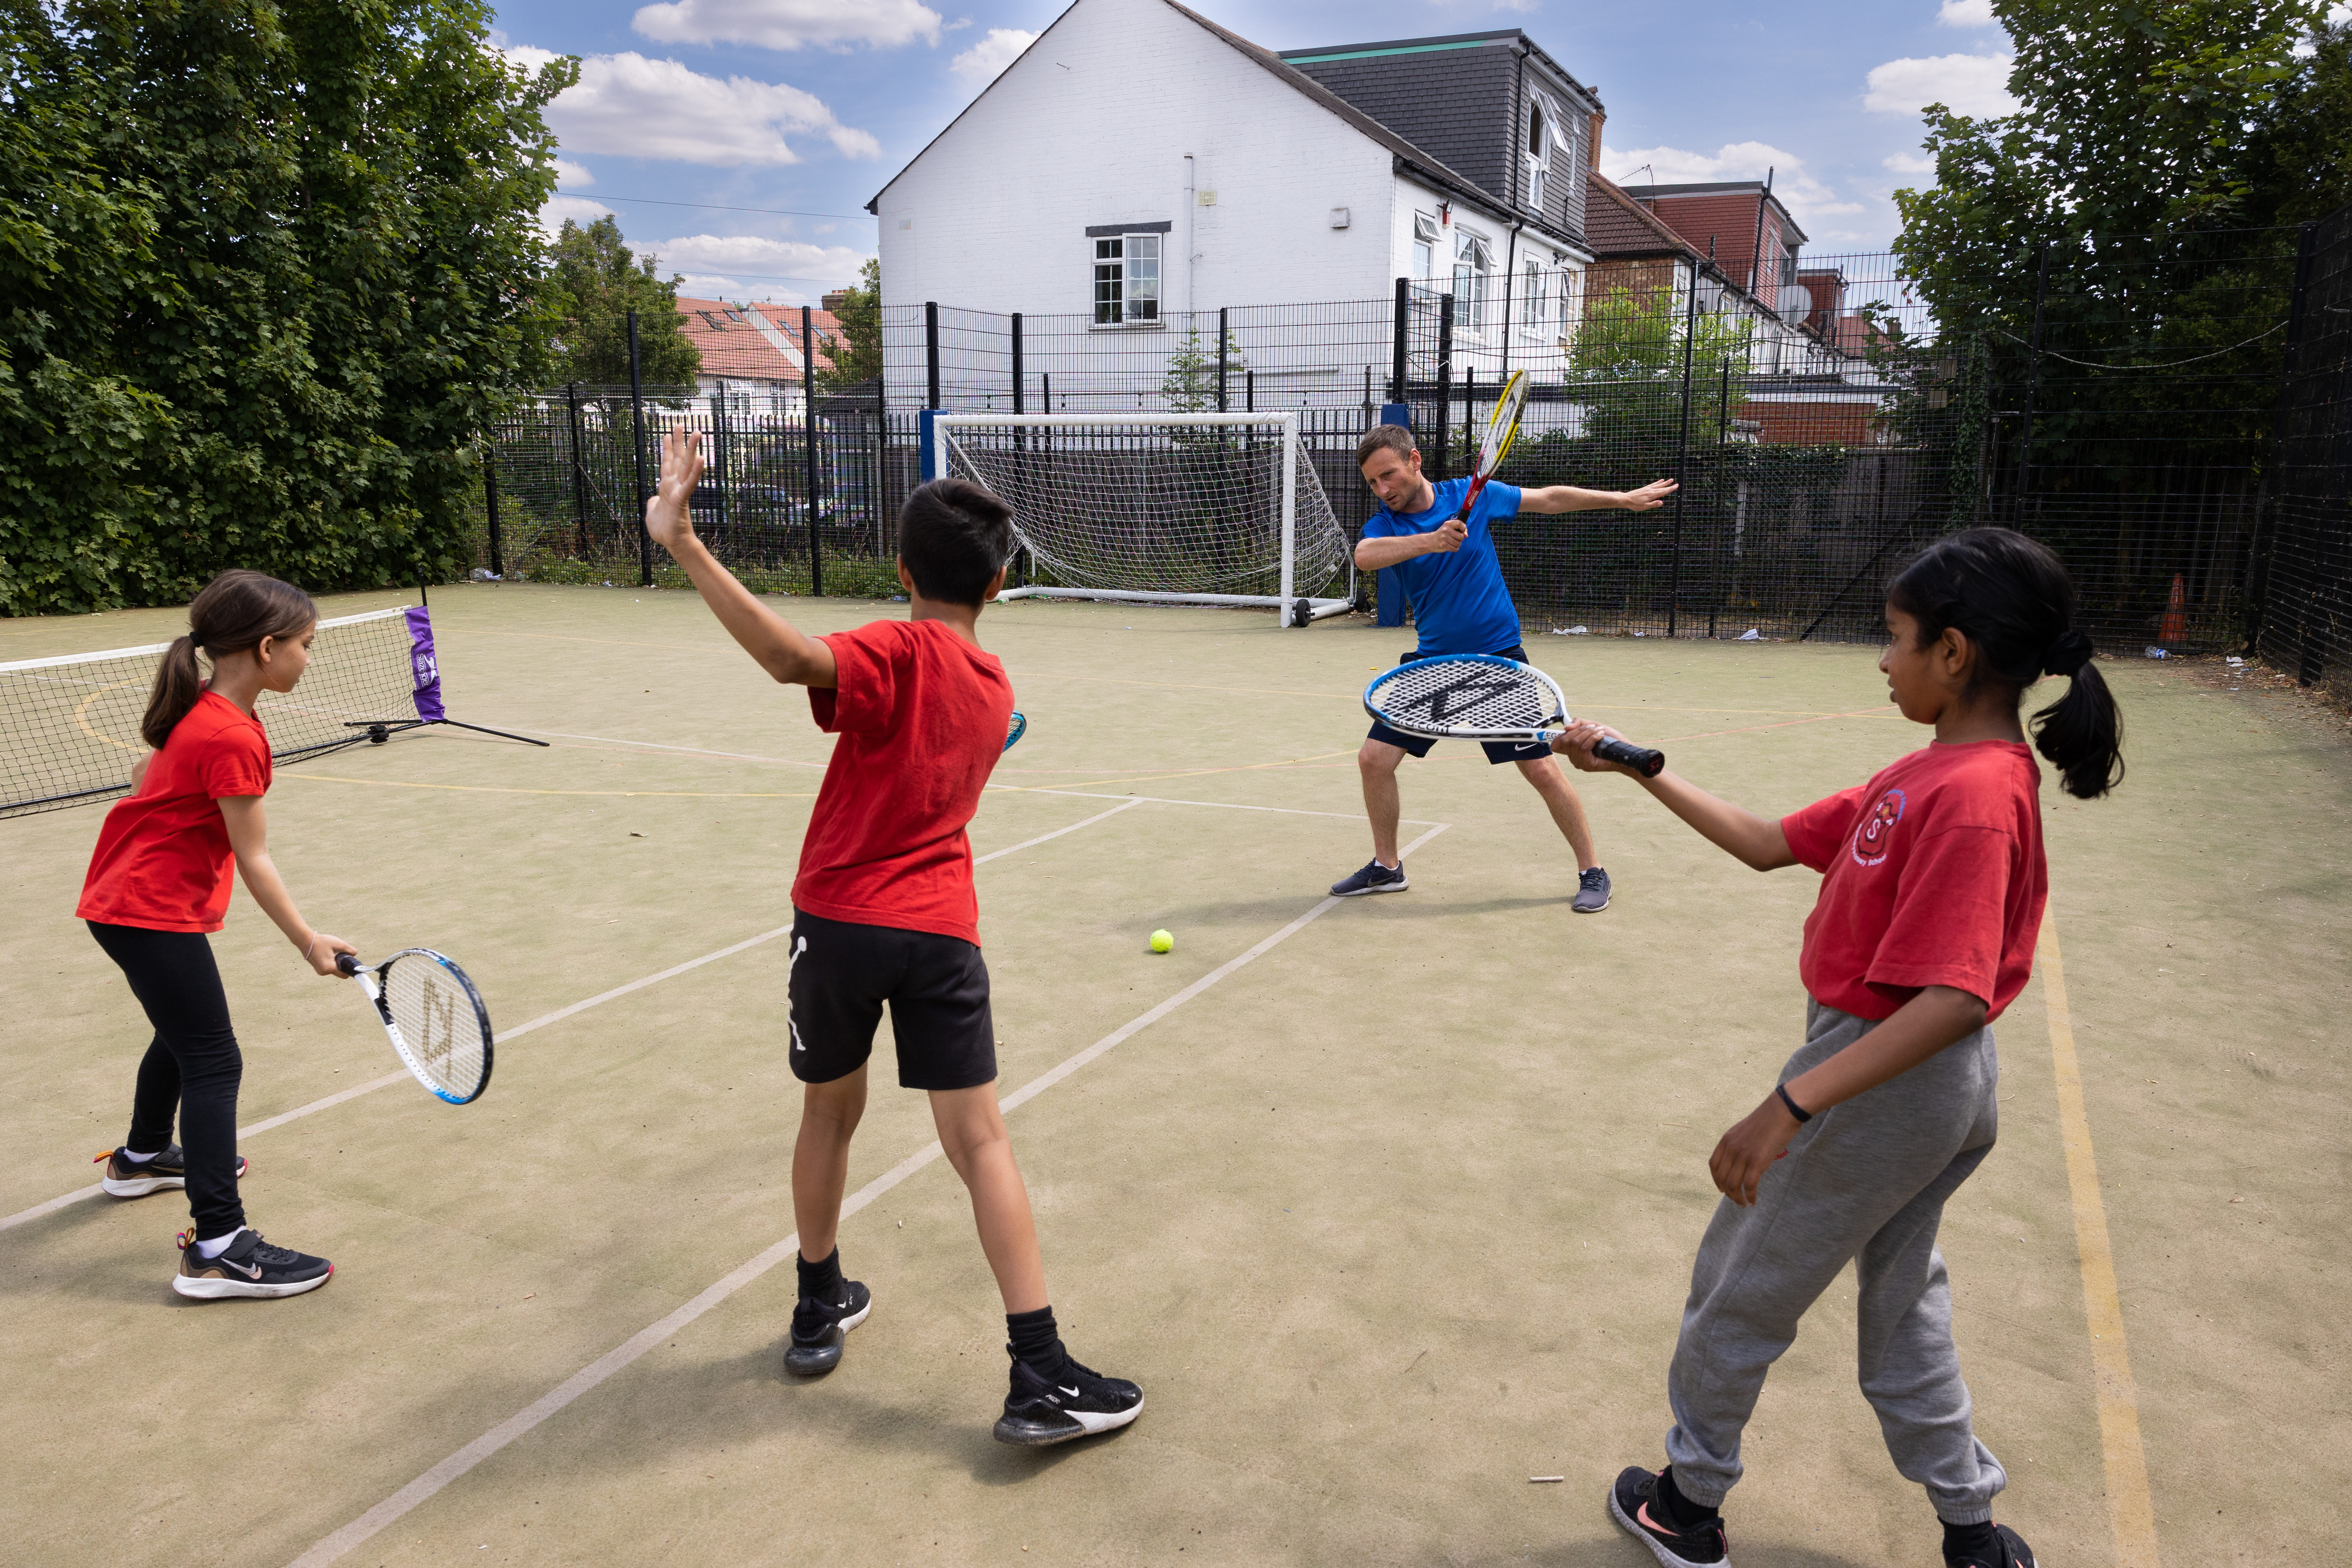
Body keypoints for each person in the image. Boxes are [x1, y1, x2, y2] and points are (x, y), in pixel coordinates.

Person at [1555, 527, 2121, 1568]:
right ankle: (1972, 1531)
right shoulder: (1936, 769)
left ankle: (1686, 1506)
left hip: (1881, 1080)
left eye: (1894, 637)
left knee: (1737, 1290)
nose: (1880, 657)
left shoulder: (1971, 800)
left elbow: (1949, 999)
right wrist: (1639, 770)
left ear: (1952, 655)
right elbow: (1771, 844)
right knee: (1902, 1306)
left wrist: (1791, 1104)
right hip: (1920, 1089)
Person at [642, 431, 1142, 1448]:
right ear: (999, 585)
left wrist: (683, 539)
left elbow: (792, 660)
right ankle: (1037, 1368)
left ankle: (816, 1301)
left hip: (835, 921)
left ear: (903, 570)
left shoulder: (891, 647)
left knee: (829, 1112)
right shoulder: (993, 685)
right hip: (937, 932)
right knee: (981, 1141)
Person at [79, 569, 355, 1300]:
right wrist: (309, 940)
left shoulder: (202, 708)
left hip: (124, 899)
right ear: (266, 648)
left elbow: (149, 769)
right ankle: (218, 1247)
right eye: (304, 644)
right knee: (213, 1058)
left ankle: (139, 1158)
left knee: (183, 1036)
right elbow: (253, 853)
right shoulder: (232, 733)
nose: (308, 656)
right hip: (145, 908)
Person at [1331, 423, 1676, 911]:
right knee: (1374, 760)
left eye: (1388, 475)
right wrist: (1431, 541)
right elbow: (1365, 557)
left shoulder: (1474, 495)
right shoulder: (1387, 525)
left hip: (1498, 663)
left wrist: (1620, 499)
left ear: (1414, 461)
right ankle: (1388, 868)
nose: (1383, 489)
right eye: (1373, 483)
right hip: (1434, 665)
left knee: (1541, 769)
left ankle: (1592, 871)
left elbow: (1551, 499)